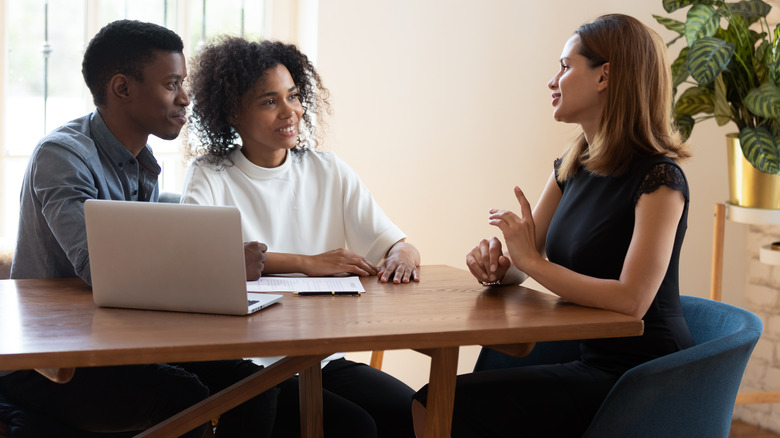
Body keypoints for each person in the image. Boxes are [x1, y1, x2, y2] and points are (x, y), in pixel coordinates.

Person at [412, 14, 695, 438]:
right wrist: (499, 267)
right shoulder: (572, 166)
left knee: (440, 403)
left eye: (565, 66)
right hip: (590, 359)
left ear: (605, 76)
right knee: (438, 399)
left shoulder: (660, 179)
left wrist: (530, 260)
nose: (553, 80)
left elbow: (632, 300)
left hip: (644, 375)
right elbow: (527, 258)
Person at [3, 20, 276, 437]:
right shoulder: (62, 156)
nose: (186, 98)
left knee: (257, 385)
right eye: (171, 84)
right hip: (47, 360)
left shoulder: (142, 161)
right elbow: (103, 270)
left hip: (112, 341)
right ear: (122, 89)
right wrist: (218, 265)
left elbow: (141, 260)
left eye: (183, 82)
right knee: (183, 395)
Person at [182, 37, 419, 438]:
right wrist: (307, 263)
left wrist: (404, 255)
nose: (290, 111)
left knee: (409, 412)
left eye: (292, 96)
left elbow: (395, 241)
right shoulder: (211, 174)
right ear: (233, 113)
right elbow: (195, 257)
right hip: (251, 367)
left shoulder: (328, 171)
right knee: (355, 427)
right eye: (269, 101)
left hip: (323, 358)